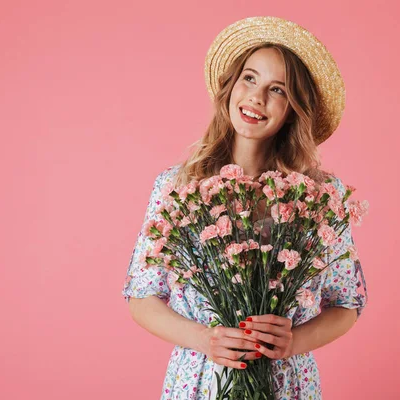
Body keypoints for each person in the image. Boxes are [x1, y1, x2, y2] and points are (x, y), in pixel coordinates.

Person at [122, 16, 368, 400]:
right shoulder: (178, 187)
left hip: (287, 383)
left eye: (277, 90)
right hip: (202, 380)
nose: (256, 97)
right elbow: (141, 297)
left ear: (294, 109)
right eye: (249, 78)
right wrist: (206, 339)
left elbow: (346, 304)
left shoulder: (319, 196)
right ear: (231, 87)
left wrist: (292, 342)